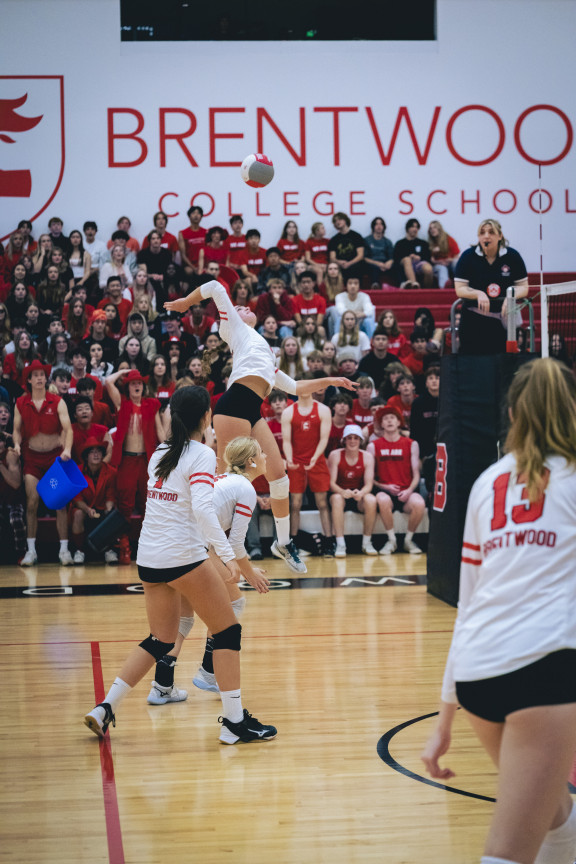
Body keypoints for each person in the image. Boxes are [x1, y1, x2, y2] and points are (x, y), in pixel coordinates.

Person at [421, 358, 576, 864]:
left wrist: (445, 718)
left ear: (512, 414)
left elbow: (469, 602)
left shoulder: (488, 483)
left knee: (553, 810)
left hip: (476, 676)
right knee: (507, 852)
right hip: (544, 669)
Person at [84, 385, 277, 745]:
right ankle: (234, 722)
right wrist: (230, 558)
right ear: (206, 418)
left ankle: (106, 707)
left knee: (161, 639)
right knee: (228, 631)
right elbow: (204, 511)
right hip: (182, 556)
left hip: (149, 559)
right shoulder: (202, 455)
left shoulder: (159, 452)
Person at [165, 278, 357, 574]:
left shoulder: (264, 349)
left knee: (279, 477)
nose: (242, 307)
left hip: (251, 410)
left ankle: (282, 542)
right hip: (232, 407)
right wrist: (184, 303)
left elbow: (294, 386)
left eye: (242, 306)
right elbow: (217, 286)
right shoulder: (233, 329)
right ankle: (197, 545)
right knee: (226, 482)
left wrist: (330, 380)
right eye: (238, 307)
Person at [148, 435, 271, 700]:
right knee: (233, 604)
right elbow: (236, 543)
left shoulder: (223, 481)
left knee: (183, 618)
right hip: (192, 549)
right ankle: (208, 671)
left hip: (173, 547)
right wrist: (249, 573)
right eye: (262, 453)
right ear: (251, 461)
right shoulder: (245, 488)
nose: (266, 457)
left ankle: (162, 686)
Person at [13, 359, 74, 566]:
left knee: (59, 504)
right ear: (28, 380)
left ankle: (64, 551)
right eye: (35, 375)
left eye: (42, 374)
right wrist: (17, 444)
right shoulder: (21, 403)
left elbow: (68, 428)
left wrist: (67, 449)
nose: (40, 378)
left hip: (54, 459)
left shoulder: (57, 401)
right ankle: (31, 551)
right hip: (32, 459)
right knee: (31, 502)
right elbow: (15, 429)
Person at [106, 369, 165, 564]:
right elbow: (108, 381)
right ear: (127, 386)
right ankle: (124, 546)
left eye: (139, 382)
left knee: (148, 504)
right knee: (125, 505)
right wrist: (124, 371)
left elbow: (160, 433)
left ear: (144, 386)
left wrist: (167, 453)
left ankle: (149, 546)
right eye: (132, 383)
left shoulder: (152, 405)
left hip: (146, 462)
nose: (137, 385)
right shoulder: (122, 403)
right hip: (126, 461)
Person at [454, 219, 529, 355]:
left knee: (503, 364)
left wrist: (510, 296)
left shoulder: (512, 256)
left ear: (500, 236)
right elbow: (460, 289)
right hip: (473, 320)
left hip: (504, 321)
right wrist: (478, 294)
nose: (486, 236)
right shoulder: (467, 257)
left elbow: (523, 287)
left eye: (491, 232)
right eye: (482, 233)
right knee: (474, 364)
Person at [281, 389, 335, 557]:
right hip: (296, 461)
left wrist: (315, 456)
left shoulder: (323, 410)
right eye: (301, 387)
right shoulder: (289, 411)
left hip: (317, 460)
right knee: (295, 503)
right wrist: (289, 459)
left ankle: (328, 541)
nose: (305, 390)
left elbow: (324, 438)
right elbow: (287, 440)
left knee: (323, 503)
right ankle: (293, 543)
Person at [367, 405, 425, 554]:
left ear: (399, 422)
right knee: (382, 499)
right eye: (385, 419)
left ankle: (408, 541)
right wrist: (385, 487)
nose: (389, 421)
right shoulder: (373, 446)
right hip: (384, 491)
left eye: (393, 418)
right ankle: (391, 541)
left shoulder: (411, 444)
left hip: (406, 492)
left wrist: (409, 490)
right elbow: (369, 478)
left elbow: (416, 474)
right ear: (381, 424)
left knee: (419, 503)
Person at [328, 424, 377, 557]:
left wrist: (361, 493)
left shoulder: (367, 457)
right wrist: (342, 492)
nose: (352, 441)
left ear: (360, 441)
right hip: (340, 494)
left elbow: (369, 485)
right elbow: (331, 483)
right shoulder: (335, 455)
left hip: (358, 496)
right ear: (344, 440)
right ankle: (340, 544)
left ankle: (367, 542)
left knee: (371, 499)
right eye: (349, 438)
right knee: (337, 499)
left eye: (356, 438)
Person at [70, 438, 119, 565]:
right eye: (92, 452)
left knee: (112, 513)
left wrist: (108, 511)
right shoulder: (77, 472)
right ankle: (80, 551)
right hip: (84, 508)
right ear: (86, 457)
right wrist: (87, 509)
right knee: (77, 514)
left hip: (102, 506)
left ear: (103, 455)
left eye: (99, 452)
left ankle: (109, 550)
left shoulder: (111, 472)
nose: (96, 454)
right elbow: (77, 498)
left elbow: (110, 496)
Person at [0, 430, 26, 564]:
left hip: (13, 499)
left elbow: (16, 484)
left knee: (16, 519)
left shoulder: (10, 455)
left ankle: (22, 554)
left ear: (3, 443)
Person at [393, 218, 433, 289]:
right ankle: (415, 285)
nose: (415, 229)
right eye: (412, 227)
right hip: (406, 264)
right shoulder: (400, 243)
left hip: (419, 264)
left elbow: (427, 257)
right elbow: (396, 258)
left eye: (416, 227)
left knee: (428, 268)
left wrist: (419, 257)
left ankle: (427, 289)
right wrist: (409, 257)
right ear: (407, 228)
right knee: (407, 259)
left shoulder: (423, 243)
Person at [327, 212, 365, 280]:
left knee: (358, 267)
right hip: (340, 265)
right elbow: (332, 258)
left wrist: (349, 263)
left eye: (340, 219)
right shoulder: (334, 239)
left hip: (354, 264)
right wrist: (339, 262)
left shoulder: (356, 236)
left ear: (345, 220)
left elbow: (360, 255)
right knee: (334, 268)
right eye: (335, 221)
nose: (337, 222)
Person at [427, 220, 460, 288]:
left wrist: (448, 260)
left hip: (449, 263)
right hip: (438, 265)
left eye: (434, 227)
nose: (432, 230)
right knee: (442, 269)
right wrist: (440, 262)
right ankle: (444, 287)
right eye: (431, 228)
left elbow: (456, 257)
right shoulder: (430, 243)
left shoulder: (449, 239)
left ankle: (460, 284)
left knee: (455, 263)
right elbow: (431, 260)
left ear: (439, 228)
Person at [364, 217, 394, 287]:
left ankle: (403, 284)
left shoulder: (387, 241)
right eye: (376, 224)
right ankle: (375, 285)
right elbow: (364, 258)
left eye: (381, 224)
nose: (379, 226)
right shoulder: (367, 240)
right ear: (373, 227)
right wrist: (378, 263)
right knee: (373, 268)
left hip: (385, 264)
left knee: (397, 266)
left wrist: (388, 264)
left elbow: (392, 257)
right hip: (372, 263)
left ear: (384, 227)